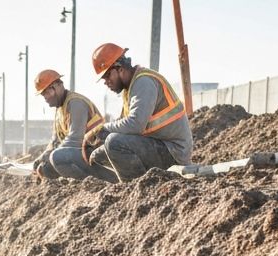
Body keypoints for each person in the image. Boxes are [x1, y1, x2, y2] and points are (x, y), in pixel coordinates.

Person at [83, 43, 193, 183]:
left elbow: (135, 125)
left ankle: (135, 187)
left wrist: (102, 129)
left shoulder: (143, 82)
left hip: (174, 152)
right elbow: (123, 126)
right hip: (159, 145)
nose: (106, 82)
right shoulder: (130, 88)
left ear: (120, 68)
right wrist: (97, 150)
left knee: (114, 142)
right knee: (100, 155)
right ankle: (136, 182)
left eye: (107, 76)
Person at [32, 69, 104, 180]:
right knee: (46, 169)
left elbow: (75, 140)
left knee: (57, 157)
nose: (45, 97)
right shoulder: (60, 110)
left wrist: (49, 156)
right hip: (82, 154)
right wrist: (42, 157)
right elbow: (55, 140)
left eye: (47, 92)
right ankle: (74, 183)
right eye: (43, 94)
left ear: (58, 86)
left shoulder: (76, 103)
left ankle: (92, 181)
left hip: (96, 155)